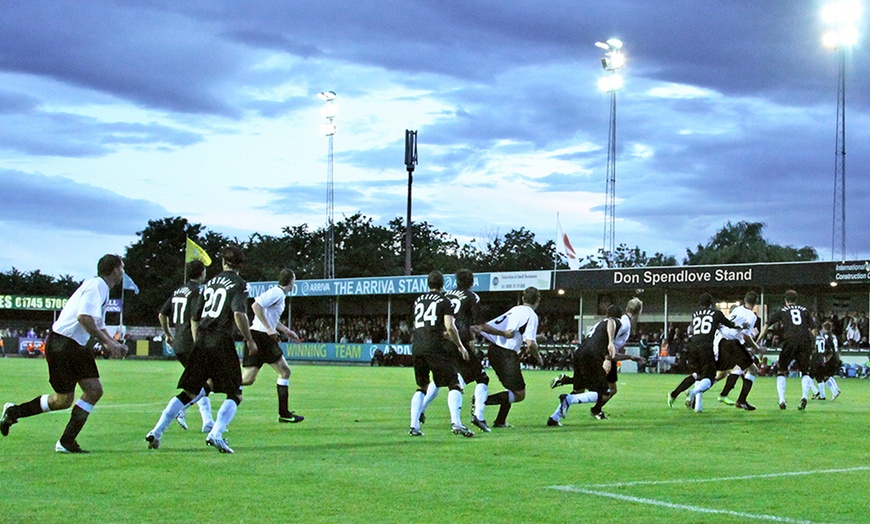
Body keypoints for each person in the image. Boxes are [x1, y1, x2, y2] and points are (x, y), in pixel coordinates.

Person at [0, 255, 128, 453]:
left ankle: (66, 442)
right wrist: (108, 344)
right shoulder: (97, 286)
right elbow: (84, 317)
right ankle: (14, 412)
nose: (123, 272)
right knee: (63, 400)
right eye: (122, 268)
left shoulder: (101, 289)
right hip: (63, 343)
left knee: (91, 391)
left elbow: (98, 325)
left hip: (75, 345)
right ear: (115, 270)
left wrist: (114, 343)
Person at [145, 245, 255, 454]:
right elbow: (239, 314)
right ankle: (216, 433)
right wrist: (249, 340)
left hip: (202, 339)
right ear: (241, 265)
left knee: (192, 390)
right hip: (221, 340)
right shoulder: (239, 284)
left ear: (223, 262)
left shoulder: (210, 283)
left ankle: (156, 432)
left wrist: (198, 341)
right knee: (235, 393)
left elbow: (195, 317)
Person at [418, 269, 510, 433]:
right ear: (472, 282)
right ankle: (478, 416)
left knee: (442, 379)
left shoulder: (446, 295)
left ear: (455, 281)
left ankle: (421, 409)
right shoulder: (472, 296)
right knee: (482, 378)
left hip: (443, 340)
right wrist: (503, 333)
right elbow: (482, 326)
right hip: (459, 342)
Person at [547, 304, 645, 426]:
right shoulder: (620, 321)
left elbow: (612, 353)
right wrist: (610, 344)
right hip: (593, 355)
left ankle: (554, 417)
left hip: (581, 352)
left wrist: (630, 357)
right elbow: (612, 323)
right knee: (605, 393)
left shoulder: (600, 324)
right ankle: (571, 400)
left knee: (580, 389)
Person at [408, 270, 474, 438]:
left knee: (422, 386)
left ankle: (414, 426)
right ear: (443, 284)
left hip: (417, 345)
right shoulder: (445, 301)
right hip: (434, 346)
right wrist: (460, 346)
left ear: (428, 283)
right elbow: (450, 327)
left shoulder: (418, 300)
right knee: (454, 383)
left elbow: (423, 324)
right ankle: (456, 423)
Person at [158, 259, 214, 432]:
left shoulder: (178, 291)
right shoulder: (197, 291)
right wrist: (199, 342)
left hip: (178, 343)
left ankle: (208, 422)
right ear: (201, 273)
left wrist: (168, 333)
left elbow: (162, 313)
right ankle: (181, 407)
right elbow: (194, 318)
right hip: (190, 343)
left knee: (199, 382)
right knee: (210, 382)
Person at [242, 268, 304, 424]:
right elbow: (256, 306)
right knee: (284, 371)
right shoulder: (277, 293)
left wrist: (286, 330)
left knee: (248, 379)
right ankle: (284, 413)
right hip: (262, 337)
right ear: (291, 282)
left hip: (259, 336)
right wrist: (269, 329)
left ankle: (210, 385)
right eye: (294, 281)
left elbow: (271, 317)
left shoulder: (279, 295)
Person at [477, 287, 543, 428]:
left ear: (523, 298)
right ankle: (481, 401)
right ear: (538, 300)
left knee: (511, 389)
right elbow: (530, 344)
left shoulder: (516, 309)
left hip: (494, 349)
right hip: (506, 354)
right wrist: (538, 357)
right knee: (519, 394)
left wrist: (537, 337)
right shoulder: (531, 315)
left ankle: (500, 421)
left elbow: (517, 332)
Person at [668, 293, 743, 412]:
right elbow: (730, 324)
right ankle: (692, 392)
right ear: (711, 303)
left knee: (697, 375)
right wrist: (741, 326)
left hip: (693, 347)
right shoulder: (716, 313)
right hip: (706, 347)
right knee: (710, 377)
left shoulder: (695, 314)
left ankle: (694, 405)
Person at [757, 290, 817, 411]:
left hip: (789, 340)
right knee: (805, 372)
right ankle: (804, 396)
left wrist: (758, 340)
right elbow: (814, 329)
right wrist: (813, 343)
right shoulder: (804, 310)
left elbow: (767, 325)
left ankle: (782, 399)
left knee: (781, 370)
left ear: (785, 300)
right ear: (796, 300)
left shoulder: (782, 311)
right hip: (805, 341)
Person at [713, 291, 761, 410]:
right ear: (756, 302)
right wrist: (757, 348)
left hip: (720, 339)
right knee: (750, 369)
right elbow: (745, 336)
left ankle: (694, 392)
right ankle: (732, 397)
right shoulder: (751, 316)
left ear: (744, 300)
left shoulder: (738, 309)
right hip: (729, 343)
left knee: (723, 374)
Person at [809, 320, 841, 401]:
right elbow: (834, 347)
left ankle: (819, 392)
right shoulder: (831, 336)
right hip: (828, 358)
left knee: (811, 377)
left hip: (819, 360)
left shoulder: (822, 337)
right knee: (822, 377)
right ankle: (833, 391)